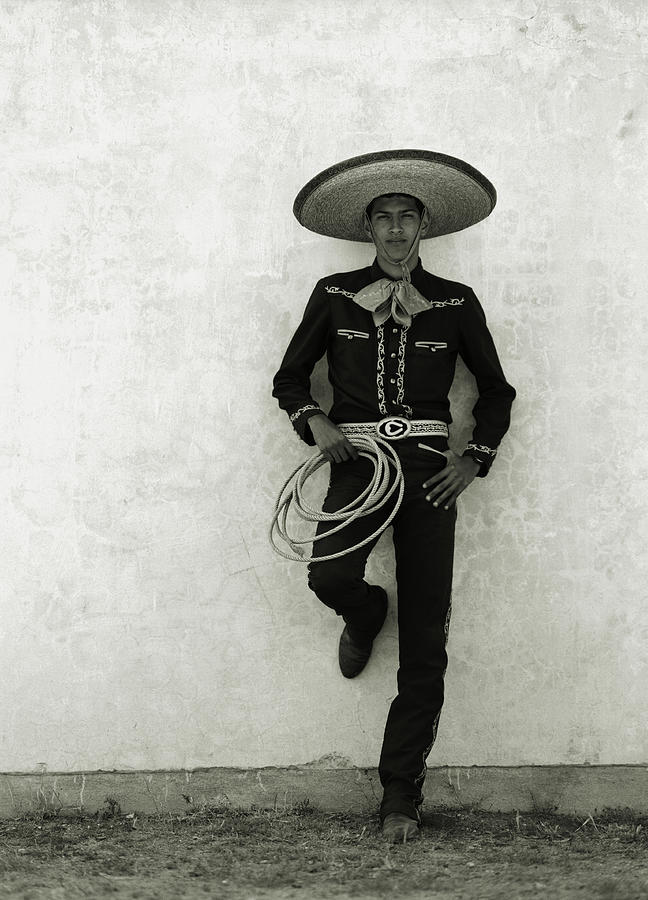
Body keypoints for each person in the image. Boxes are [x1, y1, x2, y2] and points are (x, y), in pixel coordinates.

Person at [272, 150, 516, 843]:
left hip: (432, 477)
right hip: (357, 465)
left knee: (426, 642)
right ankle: (364, 608)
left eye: (409, 217)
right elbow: (290, 379)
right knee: (329, 575)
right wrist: (314, 423)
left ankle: (400, 796)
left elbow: (496, 393)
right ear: (368, 228)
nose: (397, 230)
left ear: (425, 225)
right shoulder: (334, 296)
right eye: (385, 218)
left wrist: (474, 460)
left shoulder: (456, 302)